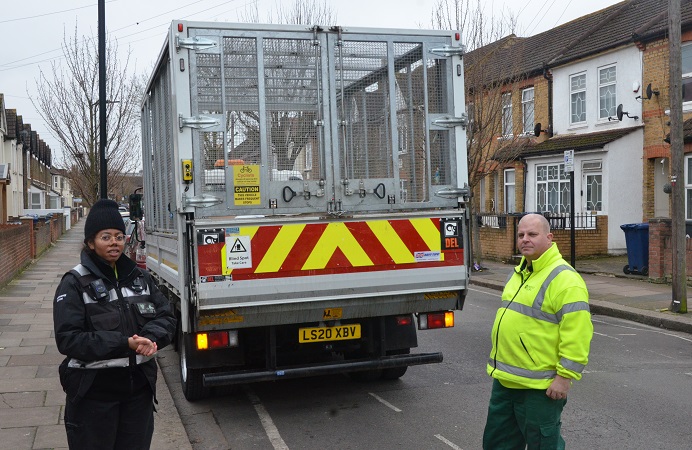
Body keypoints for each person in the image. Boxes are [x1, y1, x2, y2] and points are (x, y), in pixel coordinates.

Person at [53, 199, 176, 449]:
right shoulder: (74, 282)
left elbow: (166, 317)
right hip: (93, 397)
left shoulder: (140, 278)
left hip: (137, 393)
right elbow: (69, 339)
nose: (114, 243)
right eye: (106, 237)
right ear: (91, 242)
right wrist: (125, 344)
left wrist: (150, 339)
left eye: (119, 237)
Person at [483, 213, 593, 450]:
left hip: (540, 388)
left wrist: (564, 378)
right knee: (497, 444)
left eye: (532, 234)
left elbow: (578, 334)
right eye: (521, 234)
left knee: (543, 446)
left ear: (549, 237)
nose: (525, 239)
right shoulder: (518, 272)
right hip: (505, 382)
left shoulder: (565, 279)